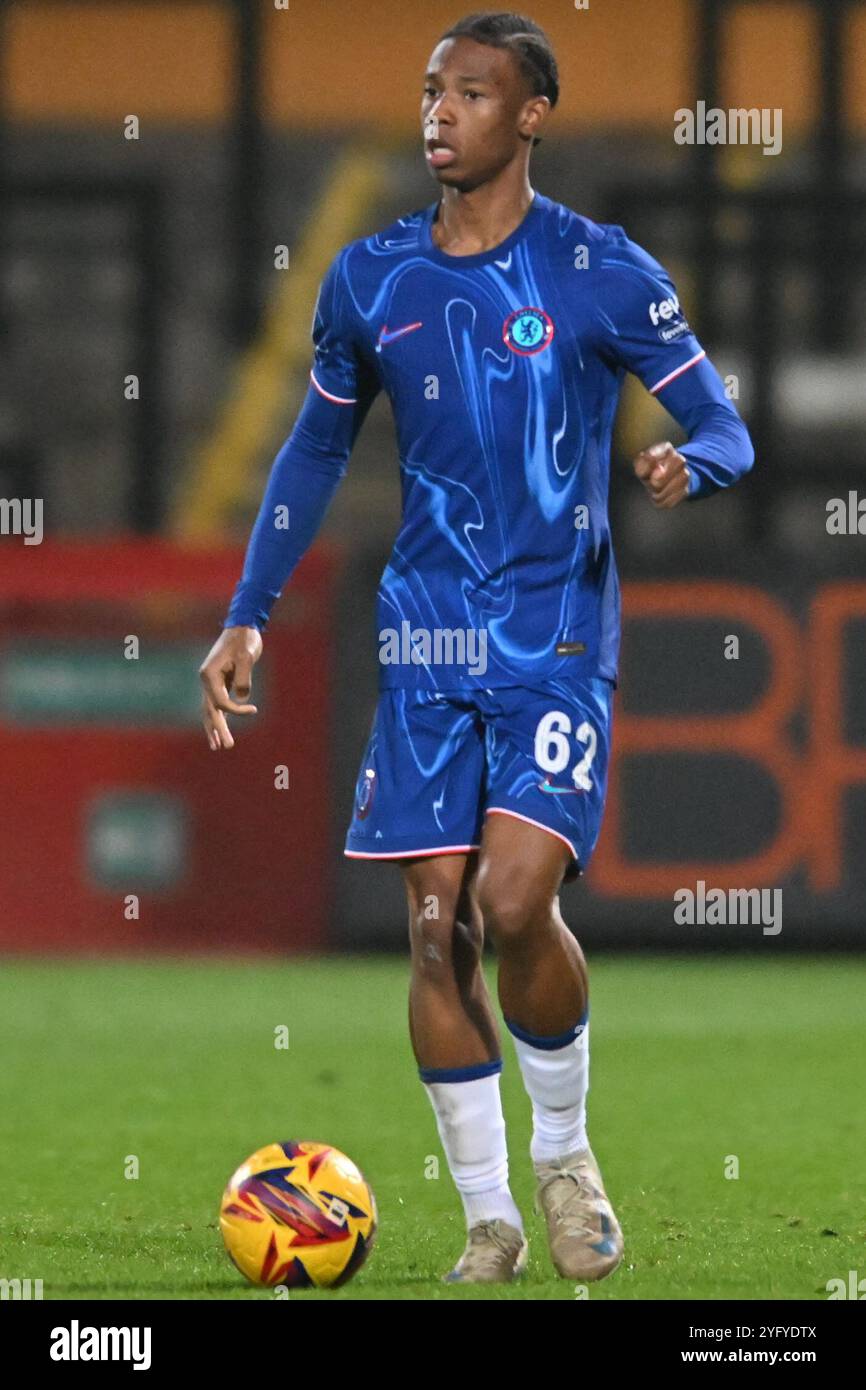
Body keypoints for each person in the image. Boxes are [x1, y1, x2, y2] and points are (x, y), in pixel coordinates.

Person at [199, 10, 754, 1284]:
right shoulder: (371, 278)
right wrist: (248, 609)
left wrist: (689, 462)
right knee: (434, 925)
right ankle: (489, 1217)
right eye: (429, 90)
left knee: (514, 902)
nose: (437, 112)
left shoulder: (601, 269)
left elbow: (724, 423)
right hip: (425, 637)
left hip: (555, 632)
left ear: (530, 115)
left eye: (469, 93)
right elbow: (314, 450)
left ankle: (562, 1155)